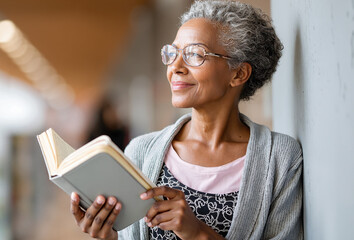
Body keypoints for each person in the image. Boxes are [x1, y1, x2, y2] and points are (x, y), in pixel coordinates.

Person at [70, 0, 303, 239]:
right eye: (173, 53)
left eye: (194, 54)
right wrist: (108, 234)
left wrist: (197, 233)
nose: (175, 67)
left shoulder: (280, 158)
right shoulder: (141, 152)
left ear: (238, 73)